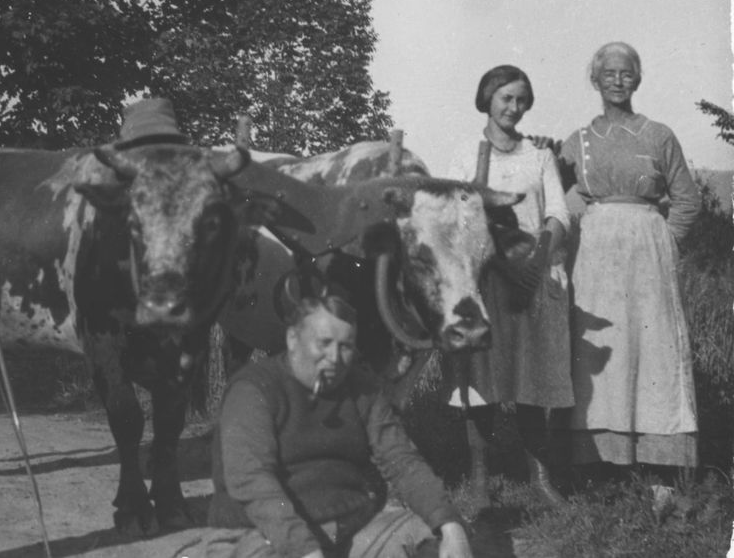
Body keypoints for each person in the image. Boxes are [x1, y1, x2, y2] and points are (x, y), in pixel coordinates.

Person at [205, 291, 473, 558]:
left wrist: (449, 524)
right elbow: (252, 480)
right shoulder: (254, 389)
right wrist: (304, 549)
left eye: (345, 346)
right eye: (323, 343)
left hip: (346, 525)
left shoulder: (362, 388)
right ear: (292, 339)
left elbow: (401, 460)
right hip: (261, 531)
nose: (334, 357)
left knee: (432, 544)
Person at [559, 42, 699, 480]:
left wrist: (665, 243)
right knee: (602, 354)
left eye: (626, 74)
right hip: (596, 260)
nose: (617, 81)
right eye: (609, 74)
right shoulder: (577, 142)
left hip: (648, 256)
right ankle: (601, 466)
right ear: (595, 80)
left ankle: (661, 467)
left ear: (637, 79)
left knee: (653, 348)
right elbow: (559, 201)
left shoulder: (658, 135)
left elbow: (687, 201)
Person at [443, 65, 572, 507]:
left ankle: (539, 478)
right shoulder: (465, 155)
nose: (514, 108)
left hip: (532, 280)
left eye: (521, 100)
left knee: (534, 379)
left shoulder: (539, 157)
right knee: (481, 380)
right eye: (505, 98)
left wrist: (537, 260)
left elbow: (559, 214)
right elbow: (457, 218)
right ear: (487, 99)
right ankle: (480, 481)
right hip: (487, 282)